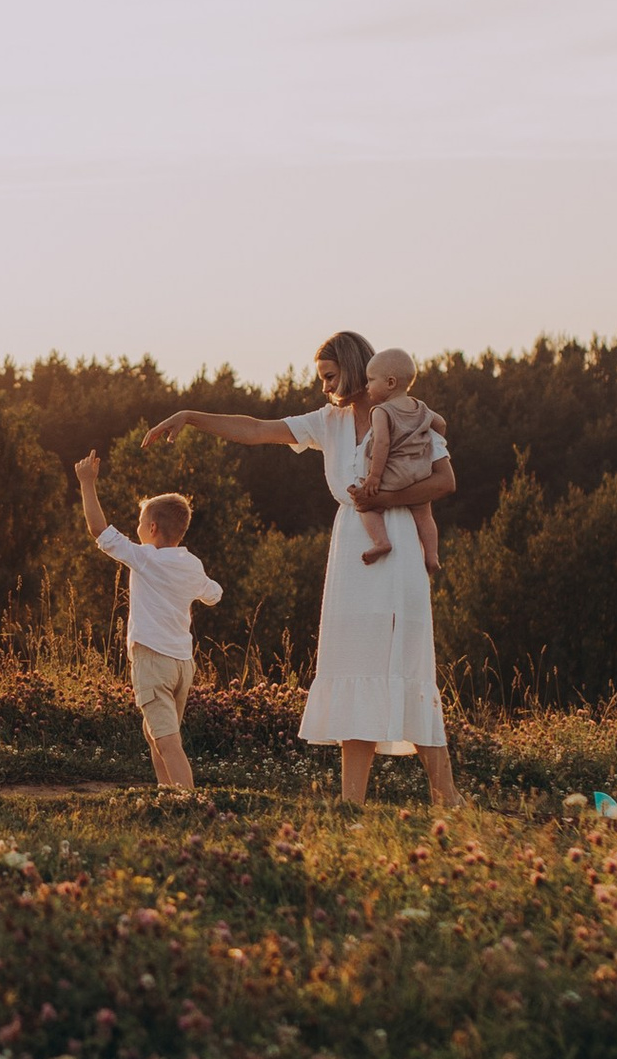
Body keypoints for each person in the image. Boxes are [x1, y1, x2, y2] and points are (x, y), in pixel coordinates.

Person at [146, 327, 458, 809]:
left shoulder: (407, 413)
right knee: (353, 666)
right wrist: (190, 416)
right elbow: (255, 429)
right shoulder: (327, 422)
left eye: (330, 376)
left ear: (353, 369)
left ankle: (447, 796)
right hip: (352, 548)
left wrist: (384, 499)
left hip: (398, 548)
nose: (325, 386)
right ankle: (351, 802)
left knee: (406, 666)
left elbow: (444, 481)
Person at [71, 450, 222, 795]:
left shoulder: (145, 558)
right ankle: (167, 794)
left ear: (152, 528)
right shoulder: (191, 563)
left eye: (140, 523)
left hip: (153, 661)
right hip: (182, 665)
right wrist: (195, 589)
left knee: (167, 741)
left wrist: (87, 483)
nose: (137, 529)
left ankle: (188, 802)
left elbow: (98, 530)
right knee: (155, 734)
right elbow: (213, 594)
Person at [355, 348, 444, 570]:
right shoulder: (421, 407)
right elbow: (441, 424)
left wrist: (375, 476)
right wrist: (430, 444)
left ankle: (381, 542)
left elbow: (382, 443)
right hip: (421, 473)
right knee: (425, 516)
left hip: (394, 475)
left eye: (371, 380)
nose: (367, 386)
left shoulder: (381, 411)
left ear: (390, 382)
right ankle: (432, 556)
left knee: (365, 506)